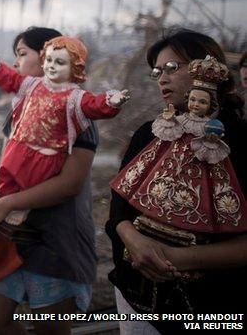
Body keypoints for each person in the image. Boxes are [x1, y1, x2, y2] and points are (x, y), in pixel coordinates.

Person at [106, 29, 247, 334]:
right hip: (135, 297)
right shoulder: (151, 132)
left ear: (206, 71)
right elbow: (119, 206)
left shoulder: (239, 141)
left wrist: (175, 258)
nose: (162, 79)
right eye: (157, 71)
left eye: (172, 68)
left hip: (212, 307)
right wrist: (134, 240)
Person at [0, 27, 103, 335]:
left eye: (22, 54)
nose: (16, 63)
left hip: (55, 237)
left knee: (51, 328)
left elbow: (68, 185)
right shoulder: (24, 107)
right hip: (16, 233)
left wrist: (5, 204)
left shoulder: (76, 111)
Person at [0, 36, 129, 223]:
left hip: (46, 153)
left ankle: (16, 212)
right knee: (6, 176)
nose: (51, 66)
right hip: (19, 146)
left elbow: (94, 105)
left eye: (60, 62)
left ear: (75, 67)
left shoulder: (75, 98)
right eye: (49, 60)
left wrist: (111, 102)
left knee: (30, 184)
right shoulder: (32, 85)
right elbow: (12, 80)